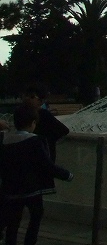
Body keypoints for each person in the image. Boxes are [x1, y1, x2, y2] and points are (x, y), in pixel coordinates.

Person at [0, 104, 73, 245]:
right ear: (33, 123)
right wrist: (67, 175)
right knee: (36, 216)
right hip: (32, 189)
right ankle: (29, 242)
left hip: (11, 190)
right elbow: (46, 165)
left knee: (13, 221)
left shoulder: (4, 140)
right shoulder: (35, 141)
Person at [21, 85, 69, 162]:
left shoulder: (45, 114)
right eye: (26, 96)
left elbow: (64, 130)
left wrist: (47, 141)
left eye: (32, 97)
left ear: (40, 101)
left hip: (45, 155)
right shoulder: (23, 113)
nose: (27, 99)